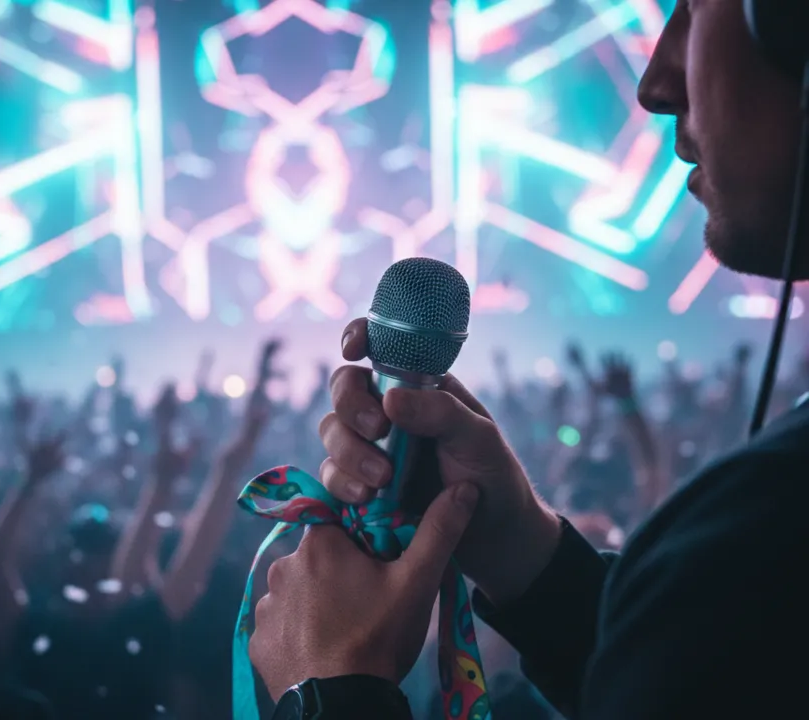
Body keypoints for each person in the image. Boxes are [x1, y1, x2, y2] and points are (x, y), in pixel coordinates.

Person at [248, 3, 808, 718]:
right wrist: (520, 549)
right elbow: (717, 688)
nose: (654, 85)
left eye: (695, 9)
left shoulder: (775, 520)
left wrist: (332, 690)